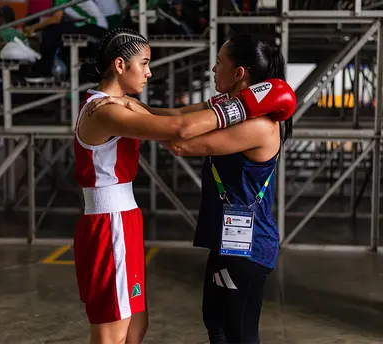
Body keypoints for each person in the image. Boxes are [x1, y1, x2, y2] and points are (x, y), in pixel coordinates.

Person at [74, 28, 295, 344]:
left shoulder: (258, 124)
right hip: (223, 236)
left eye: (219, 63)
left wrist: (131, 113)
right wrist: (133, 110)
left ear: (239, 73)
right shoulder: (224, 105)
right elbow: (175, 117)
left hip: (249, 242)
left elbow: (181, 141)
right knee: (215, 323)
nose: (213, 69)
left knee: (239, 331)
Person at [23, 0, 108, 83]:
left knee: (52, 30)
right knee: (57, 34)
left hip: (95, 27)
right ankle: (63, 74)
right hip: (90, 26)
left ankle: (43, 72)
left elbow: (56, 19)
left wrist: (33, 27)